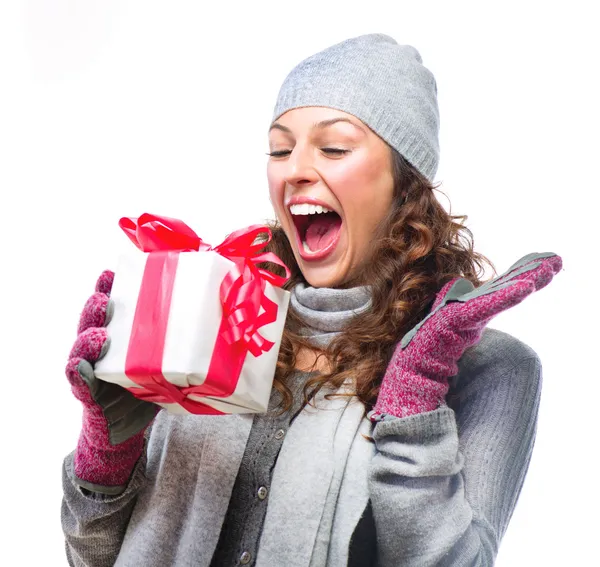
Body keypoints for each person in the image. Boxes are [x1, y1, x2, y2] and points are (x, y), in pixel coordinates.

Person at [61, 33, 562, 566]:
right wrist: (107, 454)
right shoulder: (221, 322)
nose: (294, 169)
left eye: (334, 147)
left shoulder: (489, 368)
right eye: (280, 149)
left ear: (404, 181)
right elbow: (92, 556)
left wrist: (414, 408)